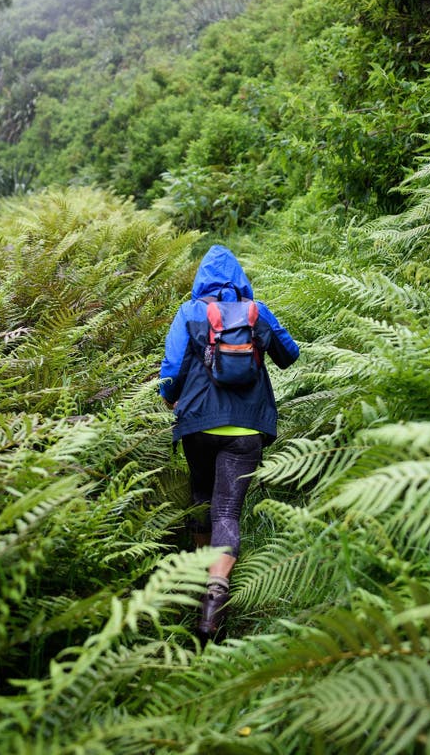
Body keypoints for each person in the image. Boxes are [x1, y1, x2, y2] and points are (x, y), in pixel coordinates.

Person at [159, 245, 300, 639]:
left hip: (197, 423)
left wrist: (172, 398)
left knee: (202, 497)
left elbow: (169, 371)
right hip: (246, 427)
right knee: (226, 513)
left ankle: (195, 581)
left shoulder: (188, 313)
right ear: (240, 278)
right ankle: (215, 597)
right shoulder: (256, 311)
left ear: (200, 279)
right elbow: (290, 355)